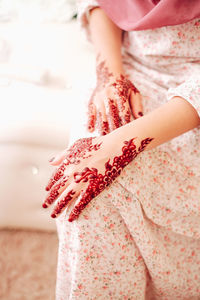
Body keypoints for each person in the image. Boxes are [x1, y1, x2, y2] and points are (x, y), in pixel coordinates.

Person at [43, 0, 200, 298]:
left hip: (191, 101)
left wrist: (118, 146)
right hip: (131, 71)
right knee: (87, 191)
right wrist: (111, 76)